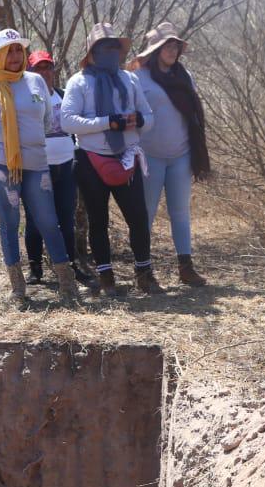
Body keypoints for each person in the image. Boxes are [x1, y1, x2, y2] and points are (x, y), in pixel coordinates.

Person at [0, 29, 79, 306]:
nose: (15, 56)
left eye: (18, 50)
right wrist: (0, 153)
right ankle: (18, 289)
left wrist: (27, 148)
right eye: (9, 51)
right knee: (10, 222)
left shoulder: (36, 83)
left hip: (36, 165)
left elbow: (43, 122)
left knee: (48, 221)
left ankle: (67, 284)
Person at [60, 22, 161, 298]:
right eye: (104, 48)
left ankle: (145, 274)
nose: (111, 52)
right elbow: (67, 121)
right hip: (91, 158)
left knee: (138, 218)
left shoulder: (130, 80)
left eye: (114, 47)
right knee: (98, 220)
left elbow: (149, 117)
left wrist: (138, 120)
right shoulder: (79, 82)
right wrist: (108, 122)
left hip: (127, 155)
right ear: (92, 52)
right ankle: (106, 277)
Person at [132, 22, 210, 286]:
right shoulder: (138, 77)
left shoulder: (184, 76)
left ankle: (185, 267)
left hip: (181, 154)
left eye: (175, 45)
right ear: (155, 49)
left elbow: (192, 113)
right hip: (150, 156)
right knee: (147, 213)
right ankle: (143, 270)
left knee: (180, 212)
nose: (172, 50)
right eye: (167, 45)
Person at [23, 50, 96, 292]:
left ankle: (69, 266)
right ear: (30, 72)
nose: (44, 73)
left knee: (66, 219)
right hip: (36, 167)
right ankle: (35, 268)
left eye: (48, 67)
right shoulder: (27, 98)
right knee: (35, 220)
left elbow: (76, 126)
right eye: (38, 68)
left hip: (66, 166)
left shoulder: (64, 96)